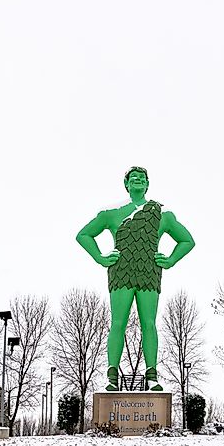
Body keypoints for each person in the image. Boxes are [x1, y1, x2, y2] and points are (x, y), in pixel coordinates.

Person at [76, 166, 195, 391]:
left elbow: (187, 240)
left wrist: (170, 260)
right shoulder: (111, 214)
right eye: (134, 178)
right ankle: (112, 375)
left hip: (149, 271)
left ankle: (152, 376)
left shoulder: (162, 214)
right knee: (117, 323)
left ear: (148, 184)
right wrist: (100, 258)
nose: (138, 180)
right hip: (121, 271)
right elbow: (83, 235)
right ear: (127, 185)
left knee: (149, 323)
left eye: (142, 178)